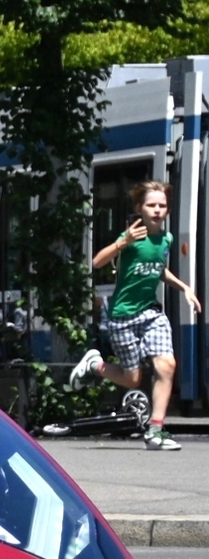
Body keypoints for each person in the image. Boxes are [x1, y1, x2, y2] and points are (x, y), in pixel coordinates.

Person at [73, 180, 196, 450]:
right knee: (132, 379)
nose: (157, 210)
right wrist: (123, 242)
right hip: (122, 316)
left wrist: (184, 287)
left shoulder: (166, 239)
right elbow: (96, 262)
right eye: (151, 205)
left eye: (162, 206)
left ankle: (155, 430)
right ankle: (95, 365)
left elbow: (158, 270)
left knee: (167, 365)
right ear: (140, 208)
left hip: (150, 313)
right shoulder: (132, 237)